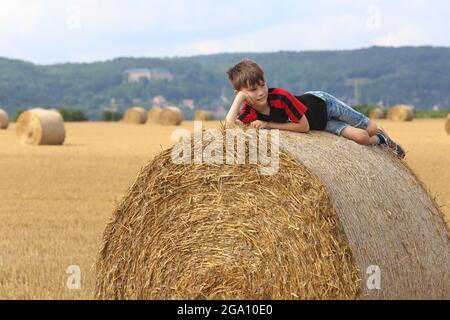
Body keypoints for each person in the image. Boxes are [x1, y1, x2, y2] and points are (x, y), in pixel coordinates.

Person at [225, 59, 405, 158]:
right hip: (321, 125)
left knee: (370, 128)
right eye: (252, 90)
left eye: (263, 85)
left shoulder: (281, 97)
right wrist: (239, 99)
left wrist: (268, 125)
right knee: (362, 137)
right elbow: (228, 128)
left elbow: (303, 127)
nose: (260, 92)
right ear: (239, 92)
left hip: (324, 105)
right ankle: (382, 140)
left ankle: (379, 132)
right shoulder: (248, 112)